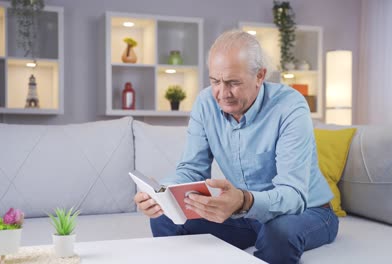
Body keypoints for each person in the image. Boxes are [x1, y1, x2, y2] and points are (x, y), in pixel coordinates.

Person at [133, 29, 338, 264]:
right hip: (242, 212)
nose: (222, 93)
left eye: (233, 83)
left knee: (278, 233)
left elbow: (293, 195)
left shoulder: (290, 107)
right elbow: (191, 169)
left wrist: (243, 201)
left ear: (260, 76)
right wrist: (162, 194)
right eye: (215, 81)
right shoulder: (205, 103)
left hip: (306, 211)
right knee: (165, 217)